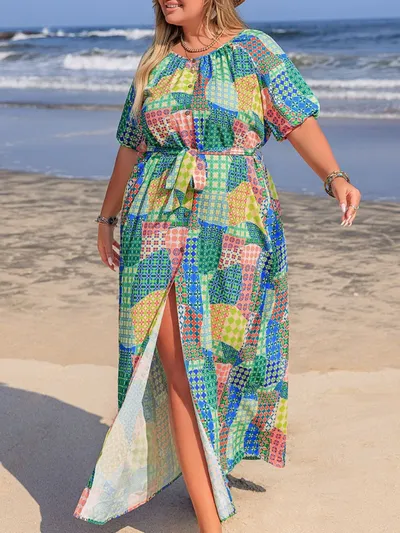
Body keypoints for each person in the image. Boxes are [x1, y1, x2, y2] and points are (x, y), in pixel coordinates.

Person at [73, 1, 361, 532]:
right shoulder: (154, 63)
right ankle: (211, 522)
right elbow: (131, 147)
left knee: (223, 357)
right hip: (154, 216)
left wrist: (334, 177)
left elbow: (297, 118)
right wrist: (106, 217)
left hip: (235, 219)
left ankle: (209, 466)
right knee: (179, 365)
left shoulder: (255, 51)